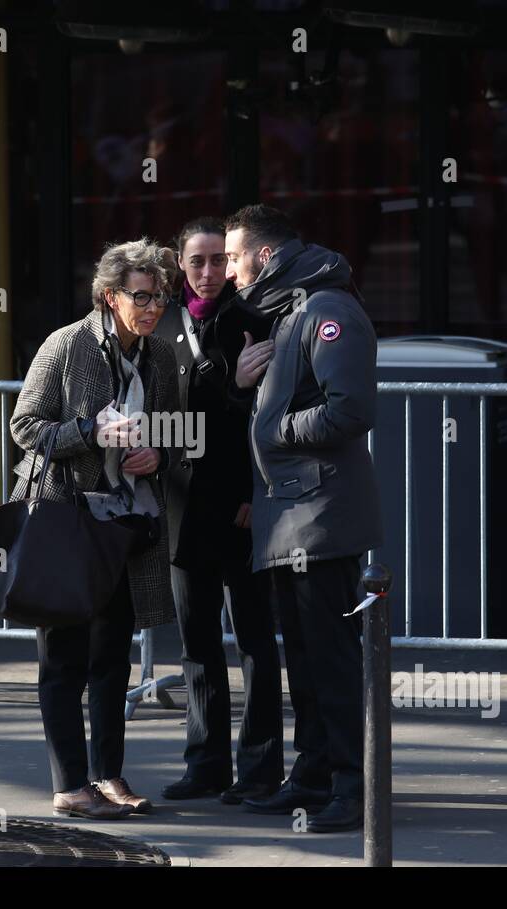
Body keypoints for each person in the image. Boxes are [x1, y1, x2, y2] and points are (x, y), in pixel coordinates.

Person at [8, 238, 180, 820]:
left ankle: (108, 776)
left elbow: (176, 436)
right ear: (110, 297)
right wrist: (90, 432)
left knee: (112, 661)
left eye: (159, 296)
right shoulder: (67, 344)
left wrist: (157, 455)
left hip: (125, 528)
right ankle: (69, 784)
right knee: (64, 661)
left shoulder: (158, 357)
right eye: (141, 296)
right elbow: (25, 427)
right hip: (66, 521)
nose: (153, 306)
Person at [225, 204, 382, 833]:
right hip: (294, 516)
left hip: (319, 516)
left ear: (264, 256)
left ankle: (353, 785)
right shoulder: (293, 310)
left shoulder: (327, 310)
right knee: (310, 659)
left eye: (234, 257)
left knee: (332, 660)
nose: (230, 272)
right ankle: (316, 774)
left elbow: (349, 411)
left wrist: (276, 428)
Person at [154, 217, 283, 804]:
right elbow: (165, 418)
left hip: (241, 509)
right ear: (179, 266)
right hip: (182, 508)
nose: (208, 272)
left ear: (231, 265)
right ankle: (205, 764)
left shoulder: (254, 324)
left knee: (255, 641)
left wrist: (257, 495)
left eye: (217, 260)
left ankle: (258, 769)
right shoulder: (160, 330)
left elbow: (268, 421)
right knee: (197, 642)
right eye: (195, 262)